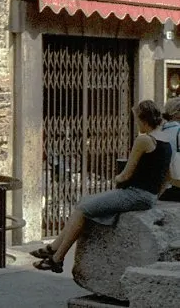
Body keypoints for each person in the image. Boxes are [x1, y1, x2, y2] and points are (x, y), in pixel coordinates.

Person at [33, 100, 172, 273]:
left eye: (136, 119)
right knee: (85, 202)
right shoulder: (165, 139)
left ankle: (57, 258)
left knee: (83, 208)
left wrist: (116, 178)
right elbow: (167, 177)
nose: (136, 124)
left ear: (144, 120)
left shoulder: (144, 139)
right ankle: (53, 248)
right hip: (148, 195)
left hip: (136, 193)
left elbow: (126, 174)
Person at [157, 96, 180, 203]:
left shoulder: (159, 132)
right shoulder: (178, 132)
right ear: (176, 113)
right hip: (176, 187)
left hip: (161, 188)